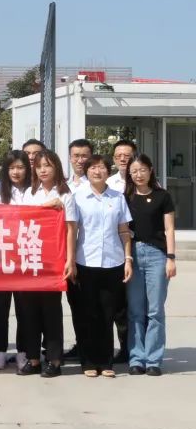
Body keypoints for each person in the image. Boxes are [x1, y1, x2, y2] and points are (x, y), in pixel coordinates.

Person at [17, 151, 77, 378]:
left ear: (56, 168)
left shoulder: (65, 194)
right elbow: (22, 219)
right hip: (31, 258)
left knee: (51, 312)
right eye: (39, 166)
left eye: (48, 166)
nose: (43, 170)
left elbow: (71, 229)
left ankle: (54, 360)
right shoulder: (29, 193)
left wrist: (70, 260)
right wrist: (46, 207)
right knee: (29, 311)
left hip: (53, 260)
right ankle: (33, 359)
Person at [71, 154, 132, 378]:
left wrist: (128, 259)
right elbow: (72, 232)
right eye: (93, 168)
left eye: (102, 168)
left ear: (109, 171)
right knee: (87, 314)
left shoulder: (118, 197)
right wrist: (71, 261)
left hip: (113, 262)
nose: (97, 171)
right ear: (86, 172)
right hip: (85, 261)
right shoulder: (77, 197)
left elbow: (124, 231)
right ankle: (88, 361)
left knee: (108, 314)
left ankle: (106, 361)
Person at [124, 155, 177, 376]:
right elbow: (123, 229)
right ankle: (137, 358)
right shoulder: (125, 197)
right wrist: (127, 258)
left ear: (151, 170)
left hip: (157, 255)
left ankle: (153, 360)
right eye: (134, 171)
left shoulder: (162, 196)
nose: (139, 174)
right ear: (130, 174)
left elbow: (169, 229)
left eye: (143, 170)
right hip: (133, 255)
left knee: (155, 310)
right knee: (135, 310)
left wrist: (171, 257)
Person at [0, 150, 32, 370]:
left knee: (25, 308)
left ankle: (24, 351)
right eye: (12, 168)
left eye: (20, 167)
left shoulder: (34, 192)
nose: (16, 172)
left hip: (26, 257)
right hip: (2, 256)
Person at [106, 140, 136, 364]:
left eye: (127, 155)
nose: (123, 159)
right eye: (119, 155)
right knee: (117, 303)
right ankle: (119, 348)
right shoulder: (109, 183)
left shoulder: (144, 180)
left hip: (138, 246)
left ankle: (132, 348)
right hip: (115, 248)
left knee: (134, 303)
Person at [64, 139, 93, 359]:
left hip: (90, 255)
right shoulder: (63, 186)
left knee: (94, 306)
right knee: (75, 304)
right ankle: (81, 345)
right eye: (76, 156)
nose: (80, 160)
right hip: (67, 255)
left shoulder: (98, 185)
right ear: (70, 158)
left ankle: (94, 349)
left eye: (84, 156)